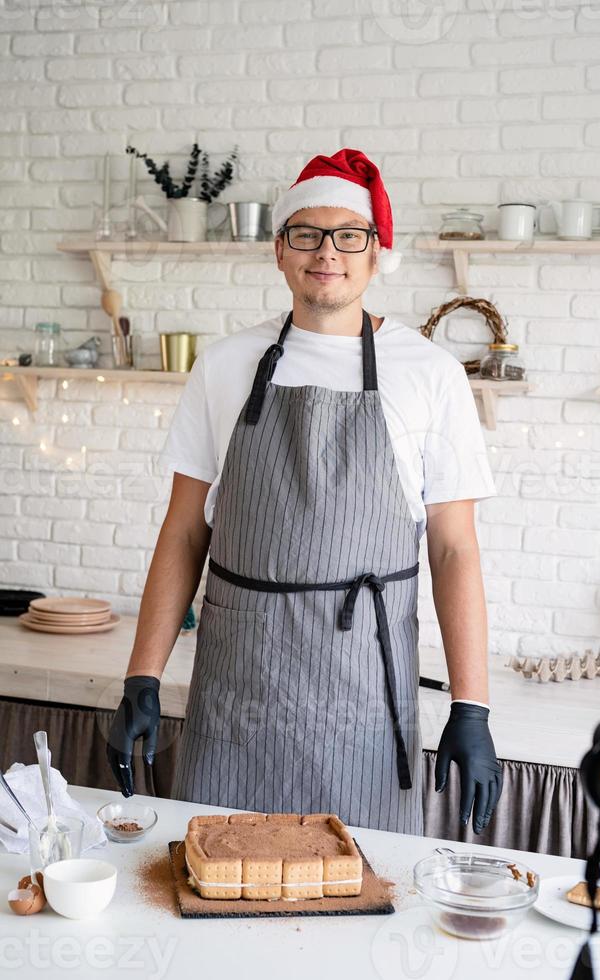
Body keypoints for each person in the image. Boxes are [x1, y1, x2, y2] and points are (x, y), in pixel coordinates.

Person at [106, 147, 503, 836]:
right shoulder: (226, 364)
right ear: (280, 251)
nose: (328, 252)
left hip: (363, 695)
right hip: (239, 686)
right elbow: (183, 531)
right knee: (217, 877)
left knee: (361, 890)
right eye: (307, 234)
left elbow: (453, 550)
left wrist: (472, 708)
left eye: (349, 235)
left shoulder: (430, 374)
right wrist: (141, 675)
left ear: (375, 254)